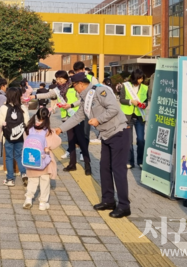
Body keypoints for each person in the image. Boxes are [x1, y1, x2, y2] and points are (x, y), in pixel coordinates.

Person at [55, 72, 131, 218]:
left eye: (75, 86)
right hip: (106, 135)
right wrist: (60, 129)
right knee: (104, 168)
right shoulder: (85, 98)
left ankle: (124, 206)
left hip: (118, 133)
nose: (74, 89)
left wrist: (98, 120)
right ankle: (108, 200)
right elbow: (78, 116)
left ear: (81, 84)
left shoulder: (99, 91)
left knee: (118, 170)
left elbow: (113, 108)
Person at [33, 71, 90, 175]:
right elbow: (47, 94)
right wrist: (34, 97)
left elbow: (81, 100)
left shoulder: (74, 87)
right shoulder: (57, 89)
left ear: (66, 78)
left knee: (82, 141)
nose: (59, 81)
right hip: (66, 119)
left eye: (61, 79)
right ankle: (72, 164)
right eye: (57, 79)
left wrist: (71, 105)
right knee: (71, 141)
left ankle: (88, 165)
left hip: (77, 117)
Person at [22, 108, 61, 211]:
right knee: (45, 181)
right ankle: (43, 203)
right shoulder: (48, 131)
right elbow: (58, 141)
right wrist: (48, 147)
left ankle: (28, 199)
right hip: (44, 161)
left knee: (32, 180)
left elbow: (25, 141)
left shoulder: (29, 129)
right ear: (48, 117)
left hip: (31, 161)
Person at [0, 87, 29, 187]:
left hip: (8, 136)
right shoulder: (23, 108)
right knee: (19, 155)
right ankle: (24, 173)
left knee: (9, 157)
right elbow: (27, 122)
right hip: (20, 136)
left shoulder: (4, 108)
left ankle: (10, 179)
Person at [119, 68, 148, 169]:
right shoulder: (126, 86)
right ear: (134, 78)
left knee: (140, 140)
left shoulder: (145, 87)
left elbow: (146, 101)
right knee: (128, 140)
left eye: (141, 78)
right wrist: (131, 101)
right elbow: (121, 99)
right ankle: (129, 161)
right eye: (138, 78)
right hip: (127, 116)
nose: (140, 80)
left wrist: (144, 104)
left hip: (140, 116)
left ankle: (141, 161)